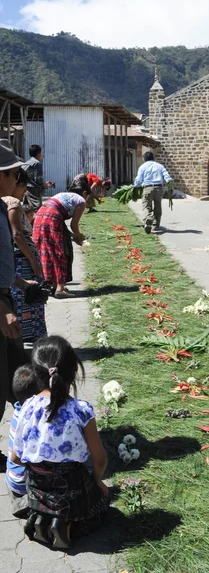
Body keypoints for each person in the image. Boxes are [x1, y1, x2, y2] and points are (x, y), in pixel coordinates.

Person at [11, 335, 109, 549]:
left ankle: (41, 517)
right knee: (101, 505)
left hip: (38, 488)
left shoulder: (27, 406)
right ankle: (68, 528)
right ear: (75, 366)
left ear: (36, 373)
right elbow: (99, 458)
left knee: (42, 489)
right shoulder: (81, 410)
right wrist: (98, 480)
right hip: (71, 487)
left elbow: (16, 457)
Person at [0, 139, 32, 470]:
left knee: (16, 371)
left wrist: (20, 283)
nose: (16, 180)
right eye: (12, 173)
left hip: (4, 299)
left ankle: (30, 431)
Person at [3, 169, 47, 342]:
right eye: (23, 187)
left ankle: (19, 335)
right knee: (29, 296)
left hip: (13, 260)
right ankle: (29, 334)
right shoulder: (12, 203)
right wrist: (33, 262)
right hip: (22, 258)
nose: (25, 192)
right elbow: (18, 235)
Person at [32, 177, 91, 299]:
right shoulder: (81, 201)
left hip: (40, 214)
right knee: (60, 251)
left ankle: (53, 285)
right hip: (52, 217)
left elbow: (61, 222)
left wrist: (72, 235)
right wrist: (79, 236)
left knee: (47, 250)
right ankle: (60, 288)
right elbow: (74, 225)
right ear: (85, 193)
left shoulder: (63, 195)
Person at [6, 364, 39, 518]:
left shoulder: (17, 411)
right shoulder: (32, 418)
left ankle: (22, 501)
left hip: (12, 480)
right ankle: (32, 504)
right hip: (24, 483)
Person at [134, 151, 173, 234]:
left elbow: (138, 179)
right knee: (158, 206)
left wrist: (135, 186)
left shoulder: (142, 167)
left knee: (146, 206)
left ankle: (148, 219)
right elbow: (167, 176)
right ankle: (156, 226)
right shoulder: (160, 166)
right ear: (153, 158)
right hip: (159, 188)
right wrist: (169, 182)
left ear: (144, 159)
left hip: (147, 188)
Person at [21, 145, 52, 212]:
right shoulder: (37, 163)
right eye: (41, 153)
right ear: (38, 154)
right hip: (33, 190)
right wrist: (45, 185)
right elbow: (38, 180)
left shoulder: (26, 163)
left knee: (26, 209)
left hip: (25, 188)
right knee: (37, 208)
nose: (42, 155)